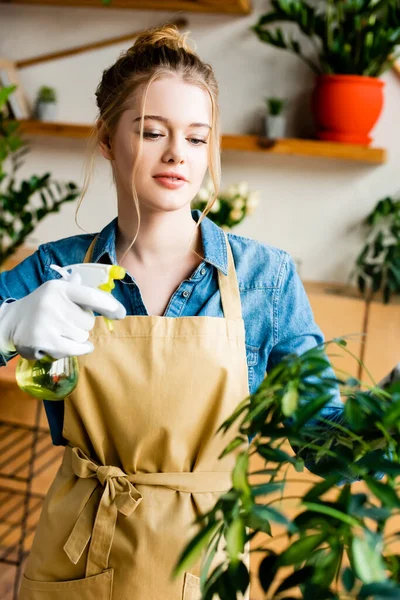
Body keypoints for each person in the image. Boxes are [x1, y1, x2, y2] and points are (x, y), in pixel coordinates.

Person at [0, 23, 397, 600]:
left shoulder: (266, 279)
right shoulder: (58, 270)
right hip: (77, 558)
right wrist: (9, 323)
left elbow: (325, 444)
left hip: (202, 565)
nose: (176, 155)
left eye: (195, 137)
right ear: (108, 139)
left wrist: (393, 407)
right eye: (152, 131)